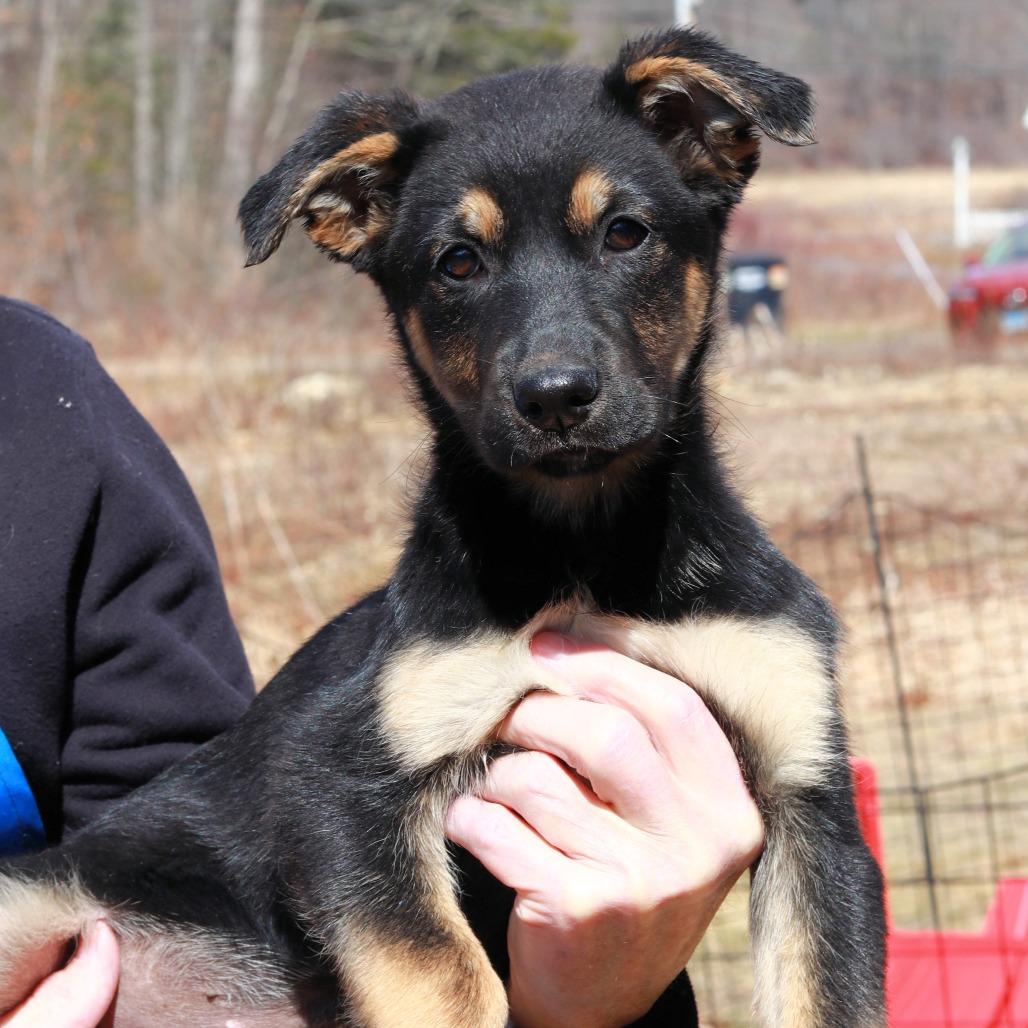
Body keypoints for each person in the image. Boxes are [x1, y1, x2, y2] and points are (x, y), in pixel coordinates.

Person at [0, 300, 763, 1028]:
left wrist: (590, 1009)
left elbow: (187, 860)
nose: (552, 375)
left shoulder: (37, 397)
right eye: (460, 264)